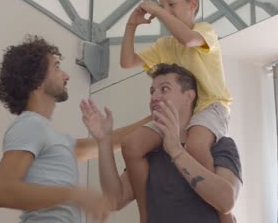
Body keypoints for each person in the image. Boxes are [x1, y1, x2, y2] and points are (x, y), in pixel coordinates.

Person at [119, 0, 233, 222]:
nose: (164, 12)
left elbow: (189, 40)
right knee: (131, 145)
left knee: (195, 145)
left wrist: (158, 11)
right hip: (179, 113)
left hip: (210, 105)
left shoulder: (204, 31)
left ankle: (224, 214)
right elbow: (127, 62)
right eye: (162, 6)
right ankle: (145, 215)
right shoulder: (164, 45)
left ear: (193, 5)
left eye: (172, 5)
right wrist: (131, 25)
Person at [80, 63, 242, 223]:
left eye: (164, 89)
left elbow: (226, 202)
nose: (154, 97)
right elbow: (114, 200)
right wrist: (103, 142)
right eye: (152, 91)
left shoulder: (219, 145)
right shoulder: (148, 153)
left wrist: (176, 151)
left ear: (189, 96)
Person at [0, 35, 112, 223]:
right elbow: (2, 191)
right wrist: (75, 195)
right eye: (56, 67)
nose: (66, 75)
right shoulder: (29, 124)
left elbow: (107, 143)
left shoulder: (54, 138)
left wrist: (155, 118)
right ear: (37, 80)